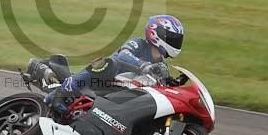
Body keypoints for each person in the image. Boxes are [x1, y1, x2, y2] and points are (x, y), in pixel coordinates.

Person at [42, 15, 187, 115]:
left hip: (125, 94)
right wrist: (143, 65)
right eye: (173, 38)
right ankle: (61, 91)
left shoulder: (160, 64)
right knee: (108, 63)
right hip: (106, 79)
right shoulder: (139, 43)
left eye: (177, 39)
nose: (176, 42)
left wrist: (173, 83)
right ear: (157, 33)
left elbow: (161, 85)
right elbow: (123, 54)